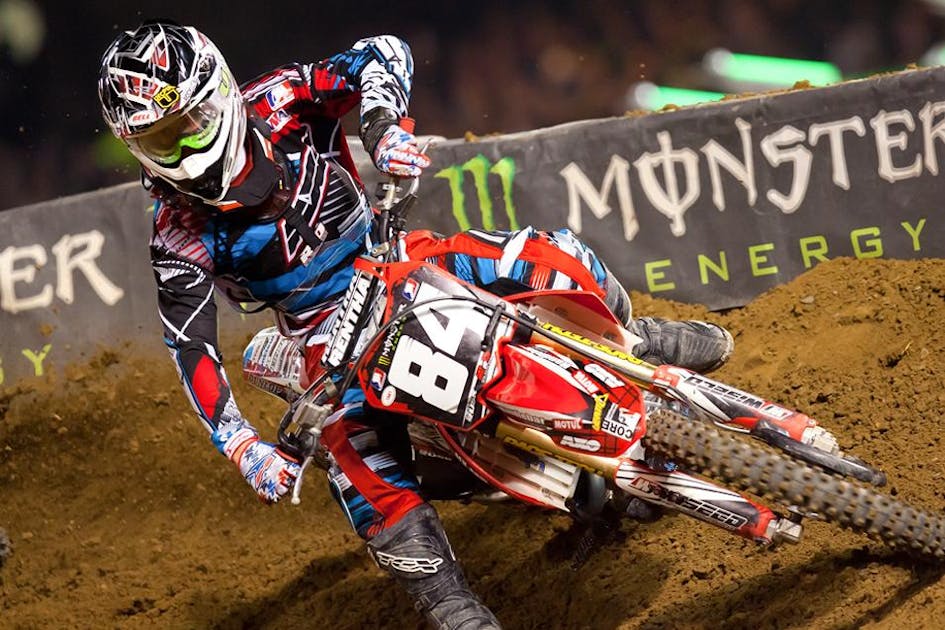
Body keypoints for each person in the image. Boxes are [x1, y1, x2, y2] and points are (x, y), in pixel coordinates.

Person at [98, 20, 733, 629]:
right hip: (325, 335)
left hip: (396, 257)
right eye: (160, 142)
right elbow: (190, 345)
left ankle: (632, 342)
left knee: (551, 255)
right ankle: (451, 605)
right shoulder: (176, 232)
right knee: (352, 454)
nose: (182, 151)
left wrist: (380, 131)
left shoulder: (280, 101)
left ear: (216, 95)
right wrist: (242, 445)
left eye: (185, 126)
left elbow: (381, 51)